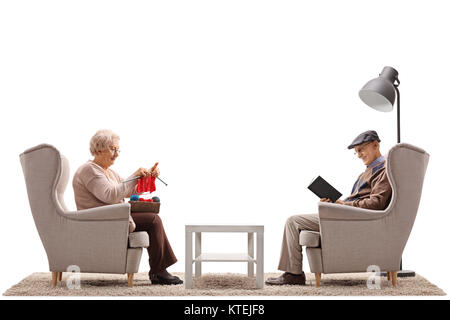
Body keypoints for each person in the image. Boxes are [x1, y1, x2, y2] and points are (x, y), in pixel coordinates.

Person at [265, 130, 392, 286]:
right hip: (348, 215)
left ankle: (294, 275)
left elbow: (376, 203)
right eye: (356, 152)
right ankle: (293, 273)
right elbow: (359, 200)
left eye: (361, 150)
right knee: (297, 221)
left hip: (355, 219)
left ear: (375, 145)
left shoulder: (384, 170)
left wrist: (344, 205)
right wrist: (335, 204)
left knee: (293, 222)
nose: (359, 155)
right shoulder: (367, 172)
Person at [72, 129, 183, 285]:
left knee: (153, 218)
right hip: (99, 221)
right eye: (112, 149)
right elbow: (110, 195)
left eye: (118, 149)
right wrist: (133, 175)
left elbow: (128, 191)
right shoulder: (89, 170)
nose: (116, 154)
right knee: (153, 220)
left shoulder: (107, 172)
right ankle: (158, 271)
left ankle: (159, 270)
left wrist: (148, 177)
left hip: (111, 217)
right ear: (98, 149)